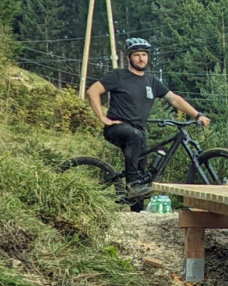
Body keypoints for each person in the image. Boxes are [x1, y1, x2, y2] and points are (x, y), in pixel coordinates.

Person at [85, 37, 209, 195]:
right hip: (117, 128)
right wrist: (102, 117)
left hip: (139, 132)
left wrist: (198, 114)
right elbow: (92, 91)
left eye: (144, 54)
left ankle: (136, 207)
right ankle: (132, 184)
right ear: (129, 57)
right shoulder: (118, 76)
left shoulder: (151, 81)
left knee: (143, 173)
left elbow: (174, 99)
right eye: (136, 55)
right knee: (134, 138)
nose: (141, 58)